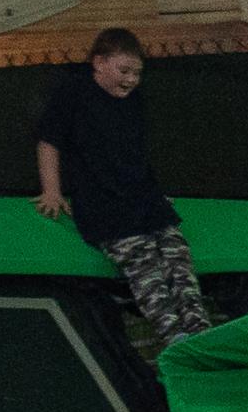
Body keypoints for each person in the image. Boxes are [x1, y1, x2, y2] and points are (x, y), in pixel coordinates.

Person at [35, 28, 213, 345]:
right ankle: (176, 338)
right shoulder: (74, 93)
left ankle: (200, 331)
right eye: (124, 70)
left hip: (144, 199)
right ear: (99, 63)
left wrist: (154, 195)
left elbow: (134, 154)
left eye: (137, 73)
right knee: (145, 268)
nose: (131, 80)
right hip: (106, 206)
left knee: (178, 260)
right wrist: (52, 190)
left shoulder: (133, 102)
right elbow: (49, 142)